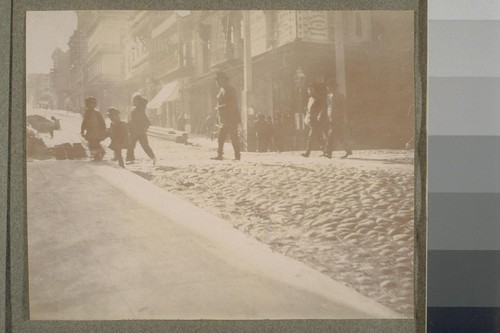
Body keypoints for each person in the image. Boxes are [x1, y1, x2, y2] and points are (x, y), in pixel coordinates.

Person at [211, 71, 241, 161]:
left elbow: (232, 104)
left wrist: (219, 107)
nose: (217, 82)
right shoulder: (222, 90)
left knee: (233, 137)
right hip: (224, 118)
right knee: (221, 137)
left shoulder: (230, 90)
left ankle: (237, 156)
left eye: (218, 80)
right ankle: (220, 155)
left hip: (231, 118)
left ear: (223, 80)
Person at [323, 79, 353, 159]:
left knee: (331, 135)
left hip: (338, 118)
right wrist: (327, 116)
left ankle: (328, 152)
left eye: (329, 87)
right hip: (331, 118)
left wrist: (344, 118)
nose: (328, 88)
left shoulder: (340, 96)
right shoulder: (328, 96)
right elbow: (328, 107)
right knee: (340, 136)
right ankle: (348, 150)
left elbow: (344, 108)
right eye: (327, 87)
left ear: (333, 87)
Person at [126, 94, 157, 164]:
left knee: (145, 146)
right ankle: (129, 159)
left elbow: (145, 101)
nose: (132, 101)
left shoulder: (141, 108)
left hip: (141, 131)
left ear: (138, 101)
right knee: (130, 145)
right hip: (134, 131)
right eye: (132, 100)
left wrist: (140, 99)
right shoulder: (133, 109)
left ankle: (153, 157)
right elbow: (130, 120)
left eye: (134, 100)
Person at [301, 83, 326, 157]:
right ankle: (325, 150)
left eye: (311, 90)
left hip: (316, 120)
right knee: (318, 136)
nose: (310, 92)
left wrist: (320, 115)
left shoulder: (319, 99)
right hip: (310, 120)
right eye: (309, 90)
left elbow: (322, 109)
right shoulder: (310, 99)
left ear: (315, 91)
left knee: (311, 136)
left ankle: (307, 152)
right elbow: (309, 110)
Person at [80, 96, 106, 161]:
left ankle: (99, 154)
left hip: (97, 131)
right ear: (87, 105)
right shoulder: (87, 113)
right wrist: (82, 130)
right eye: (90, 104)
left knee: (95, 143)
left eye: (93, 104)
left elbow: (102, 123)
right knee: (91, 143)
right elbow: (84, 122)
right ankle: (97, 154)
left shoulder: (97, 113)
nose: (92, 106)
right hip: (90, 132)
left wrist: (103, 130)